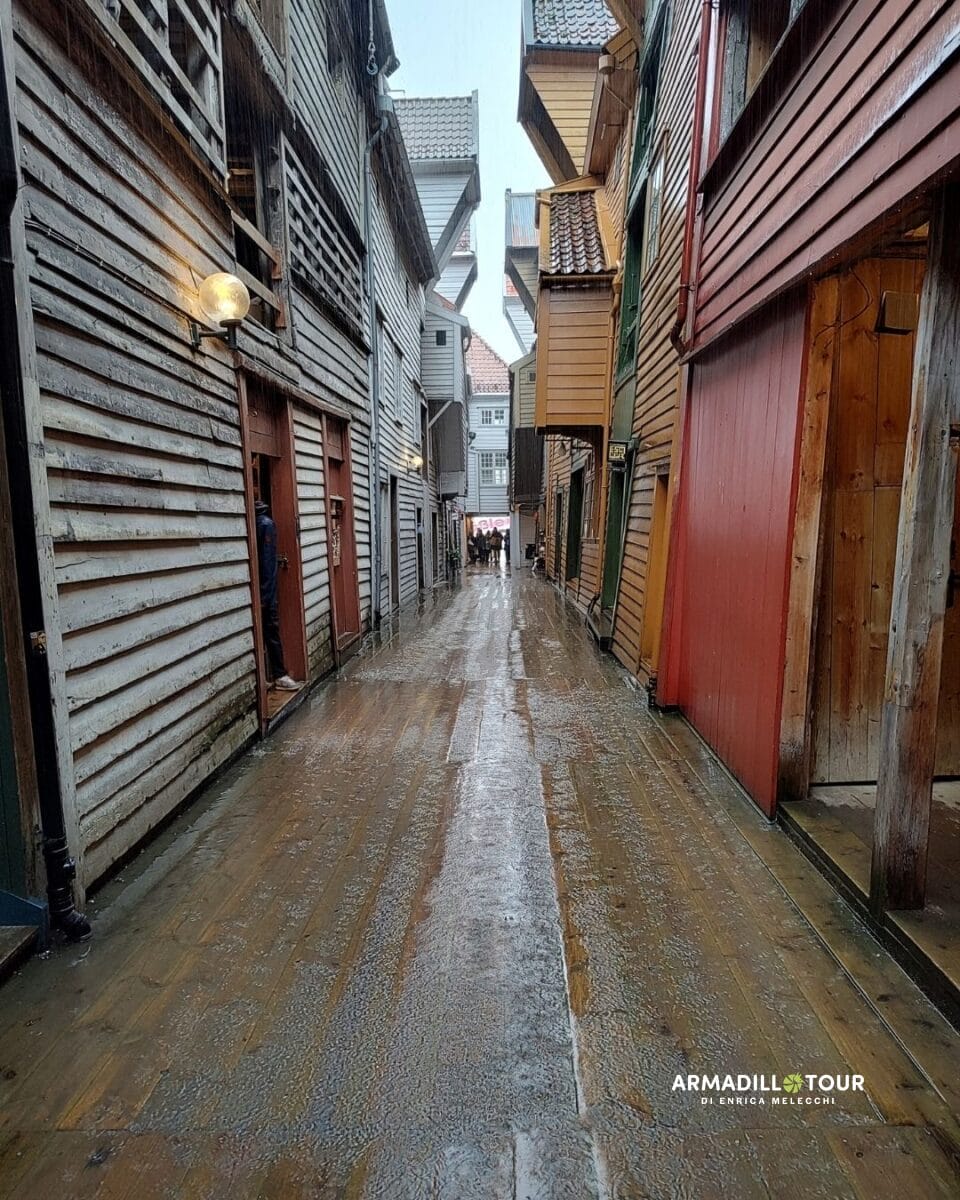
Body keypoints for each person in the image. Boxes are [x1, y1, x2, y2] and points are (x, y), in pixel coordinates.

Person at [255, 500, 301, 690]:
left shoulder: (257, 523)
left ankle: (270, 674)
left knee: (265, 630)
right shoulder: (266, 524)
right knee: (270, 628)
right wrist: (266, 595)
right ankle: (279, 674)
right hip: (266, 589)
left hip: (261, 588)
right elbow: (267, 562)